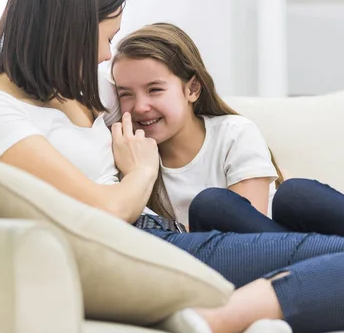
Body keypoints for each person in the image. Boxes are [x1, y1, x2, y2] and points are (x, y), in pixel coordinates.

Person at [0, 0, 344, 333]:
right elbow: (106, 215)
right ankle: (227, 318)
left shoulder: (79, 88)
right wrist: (141, 172)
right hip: (134, 246)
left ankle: (257, 312)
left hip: (164, 236)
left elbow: (158, 87)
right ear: (68, 32)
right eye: (106, 37)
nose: (105, 56)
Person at [109, 22, 344, 235]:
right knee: (211, 207)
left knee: (294, 194)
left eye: (155, 90)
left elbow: (250, 236)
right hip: (232, 262)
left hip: (268, 245)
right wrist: (137, 173)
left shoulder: (233, 134)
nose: (140, 107)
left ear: (192, 89)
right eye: (125, 94)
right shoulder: (128, 162)